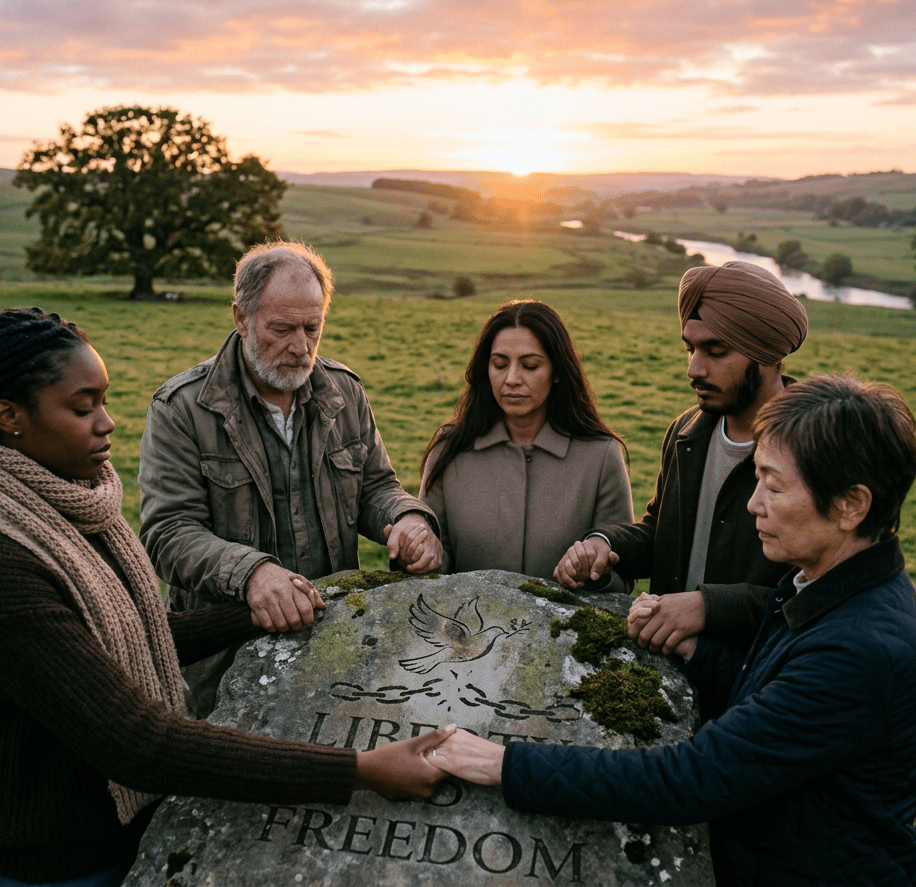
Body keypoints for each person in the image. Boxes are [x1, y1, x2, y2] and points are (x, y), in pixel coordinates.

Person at [0, 307, 453, 887]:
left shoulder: (57, 508)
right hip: (45, 864)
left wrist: (253, 615)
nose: (107, 423)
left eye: (104, 401)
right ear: (9, 417)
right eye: (82, 407)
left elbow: (127, 632)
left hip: (104, 836)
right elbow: (138, 743)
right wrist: (362, 769)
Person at [428, 374, 916, 887]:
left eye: (774, 487)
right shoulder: (825, 585)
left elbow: (695, 779)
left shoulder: (861, 649)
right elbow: (772, 691)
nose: (755, 503)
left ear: (851, 505)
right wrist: (694, 649)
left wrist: (503, 764)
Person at [139, 240, 442, 715]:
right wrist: (252, 574)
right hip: (222, 663)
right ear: (241, 318)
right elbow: (168, 533)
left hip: (332, 643)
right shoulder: (181, 409)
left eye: (312, 328)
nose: (300, 347)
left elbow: (376, 488)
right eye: (281, 329)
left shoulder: (344, 391)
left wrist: (406, 519)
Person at [555, 260, 808, 653]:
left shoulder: (813, 449)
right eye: (690, 348)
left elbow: (813, 591)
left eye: (715, 350)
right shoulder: (685, 431)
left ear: (767, 352)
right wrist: (605, 545)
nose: (694, 368)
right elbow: (663, 534)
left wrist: (708, 607)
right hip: (670, 664)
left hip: (757, 679)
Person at [419, 300, 633, 581]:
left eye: (530, 366)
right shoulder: (449, 448)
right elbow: (435, 557)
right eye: (499, 364)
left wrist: (592, 574)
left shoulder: (601, 455)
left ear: (557, 371)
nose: (511, 379)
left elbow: (622, 572)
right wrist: (418, 555)